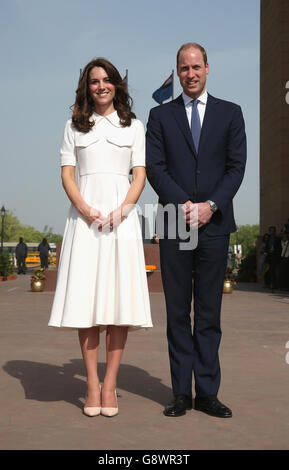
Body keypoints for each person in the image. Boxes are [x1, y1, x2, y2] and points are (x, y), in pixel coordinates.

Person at [146, 43, 246, 418]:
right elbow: (155, 168)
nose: (190, 74)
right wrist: (185, 205)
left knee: (208, 314)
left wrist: (211, 206)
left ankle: (206, 393)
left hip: (216, 224)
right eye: (183, 68)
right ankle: (180, 394)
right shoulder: (160, 117)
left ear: (207, 68)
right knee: (176, 313)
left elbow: (236, 167)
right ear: (178, 70)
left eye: (195, 67)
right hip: (175, 221)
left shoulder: (231, 113)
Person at [48, 58, 152, 417]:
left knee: (118, 305)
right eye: (94, 81)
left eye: (107, 80)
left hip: (122, 220)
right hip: (85, 220)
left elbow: (139, 174)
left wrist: (124, 209)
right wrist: (86, 208)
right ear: (86, 87)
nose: (101, 86)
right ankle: (92, 384)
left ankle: (111, 386)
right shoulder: (73, 126)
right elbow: (67, 175)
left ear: (117, 85)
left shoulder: (134, 126)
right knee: (89, 304)